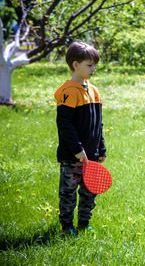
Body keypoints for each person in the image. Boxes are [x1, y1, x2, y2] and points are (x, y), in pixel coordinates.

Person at [54, 41, 106, 236]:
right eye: (89, 65)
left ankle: (84, 223)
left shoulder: (94, 91)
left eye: (94, 65)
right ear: (76, 65)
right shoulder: (68, 92)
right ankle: (67, 227)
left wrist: (101, 148)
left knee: (89, 192)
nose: (93, 69)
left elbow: (98, 124)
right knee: (68, 193)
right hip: (72, 156)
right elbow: (65, 125)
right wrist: (78, 150)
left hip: (91, 156)